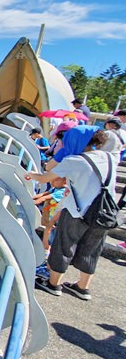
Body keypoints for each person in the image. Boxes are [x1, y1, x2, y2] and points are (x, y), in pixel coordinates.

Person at [26, 126, 117, 300]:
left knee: (64, 245)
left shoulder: (75, 160)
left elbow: (46, 177)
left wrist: (30, 175)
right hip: (103, 213)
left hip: (77, 212)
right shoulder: (110, 158)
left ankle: (54, 284)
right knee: (92, 249)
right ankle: (83, 288)